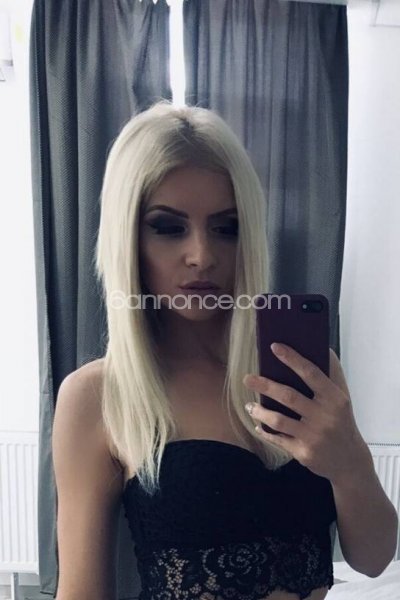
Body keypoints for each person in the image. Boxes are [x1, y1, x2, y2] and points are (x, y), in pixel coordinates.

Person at [51, 100, 364, 599]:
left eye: (226, 227)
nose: (201, 255)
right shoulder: (98, 395)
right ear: (128, 238)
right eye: (167, 227)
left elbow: (373, 556)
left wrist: (350, 464)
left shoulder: (308, 370)